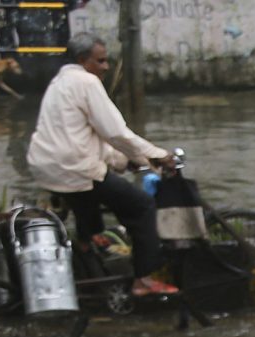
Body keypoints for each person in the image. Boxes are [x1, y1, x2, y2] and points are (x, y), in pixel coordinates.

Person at [25, 34, 179, 298]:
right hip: (74, 167)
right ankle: (143, 279)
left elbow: (87, 135)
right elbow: (115, 132)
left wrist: (126, 160)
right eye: (101, 61)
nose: (106, 67)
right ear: (83, 60)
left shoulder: (59, 82)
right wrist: (157, 155)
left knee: (89, 203)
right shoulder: (87, 82)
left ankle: (87, 253)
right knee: (141, 207)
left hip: (46, 166)